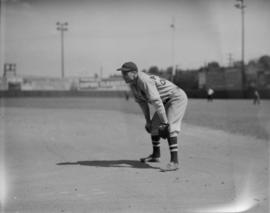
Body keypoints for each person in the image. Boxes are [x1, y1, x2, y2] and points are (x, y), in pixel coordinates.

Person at [117, 62, 188, 172]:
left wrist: (165, 122)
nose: (123, 75)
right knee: (154, 127)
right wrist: (148, 121)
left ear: (135, 73)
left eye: (125, 73)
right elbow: (143, 104)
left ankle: (175, 162)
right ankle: (156, 155)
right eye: (123, 73)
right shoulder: (133, 84)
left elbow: (157, 102)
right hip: (165, 101)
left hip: (176, 98)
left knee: (170, 127)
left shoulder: (144, 81)